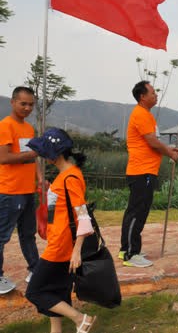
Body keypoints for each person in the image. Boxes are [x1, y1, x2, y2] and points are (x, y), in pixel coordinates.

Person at [24, 128, 97, 333]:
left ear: (55, 153)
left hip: (61, 247)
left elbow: (83, 216)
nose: (43, 155)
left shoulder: (70, 178)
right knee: (57, 292)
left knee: (35, 291)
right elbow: (60, 211)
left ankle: (81, 319)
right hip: (59, 241)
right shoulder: (65, 176)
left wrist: (76, 251)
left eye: (45, 151)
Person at [120, 81, 178, 268]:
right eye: (153, 92)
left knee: (138, 210)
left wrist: (169, 149)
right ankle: (130, 254)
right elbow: (152, 142)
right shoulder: (140, 114)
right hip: (141, 171)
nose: (156, 95)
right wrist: (170, 153)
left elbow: (152, 142)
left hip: (145, 170)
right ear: (142, 97)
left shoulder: (146, 115)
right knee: (138, 211)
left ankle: (128, 248)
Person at [0, 86, 41, 294]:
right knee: (2, 235)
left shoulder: (29, 129)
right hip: (9, 191)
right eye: (23, 103)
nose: (27, 108)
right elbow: (4, 157)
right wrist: (31, 155)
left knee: (28, 234)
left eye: (31, 104)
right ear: (13, 102)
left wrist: (40, 179)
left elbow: (33, 159)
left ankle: (36, 269)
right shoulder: (5, 126)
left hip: (27, 190)